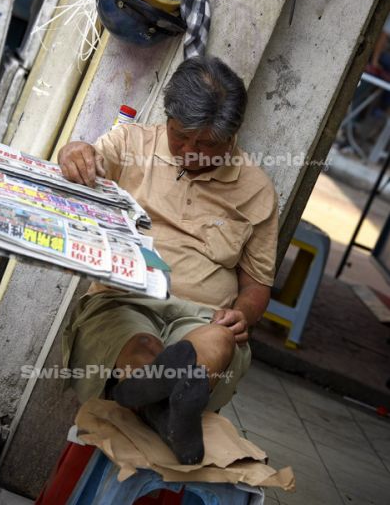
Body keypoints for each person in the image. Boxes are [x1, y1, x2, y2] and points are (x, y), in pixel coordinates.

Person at [59, 56, 278, 464]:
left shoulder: (257, 190)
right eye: (182, 138)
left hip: (203, 315)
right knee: (141, 344)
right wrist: (74, 152)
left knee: (213, 343)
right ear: (168, 120)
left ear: (232, 137)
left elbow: (257, 285)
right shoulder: (130, 144)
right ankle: (165, 405)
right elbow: (84, 160)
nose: (192, 153)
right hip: (125, 301)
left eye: (207, 144)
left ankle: (148, 396)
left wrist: (243, 314)